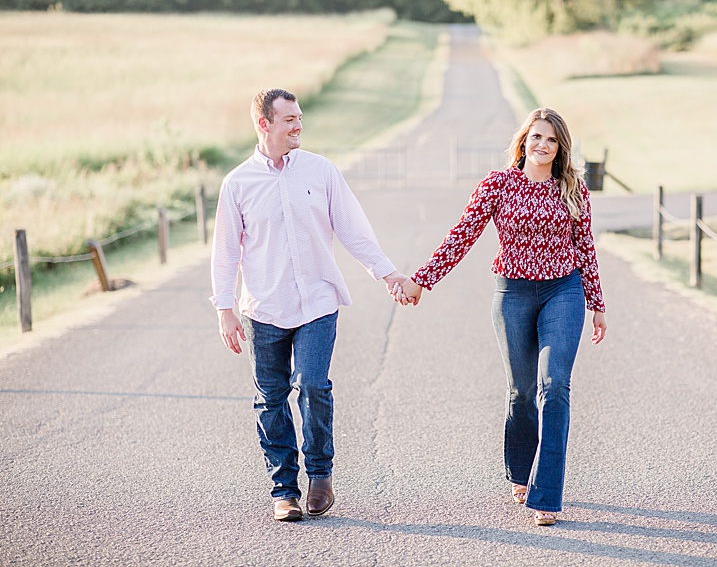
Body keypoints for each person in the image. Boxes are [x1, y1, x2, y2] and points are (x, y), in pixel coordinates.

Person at [394, 108, 608, 527]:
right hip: (512, 294)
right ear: (524, 140)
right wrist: (423, 280)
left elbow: (585, 247)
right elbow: (462, 235)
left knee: (554, 386)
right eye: (537, 137)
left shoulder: (572, 189)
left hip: (563, 292)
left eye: (552, 140)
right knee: (522, 392)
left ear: (560, 147)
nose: (543, 145)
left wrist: (596, 302)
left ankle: (546, 495)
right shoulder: (498, 184)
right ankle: (520, 471)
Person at [210, 88, 409, 522]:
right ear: (264, 124)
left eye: (299, 118)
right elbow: (226, 251)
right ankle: (284, 490)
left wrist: (388, 272)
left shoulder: (321, 171)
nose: (298, 125)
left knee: (314, 385)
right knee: (271, 399)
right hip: (264, 308)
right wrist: (224, 308)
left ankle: (321, 475)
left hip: (318, 300)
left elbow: (353, 230)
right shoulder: (238, 184)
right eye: (289, 120)